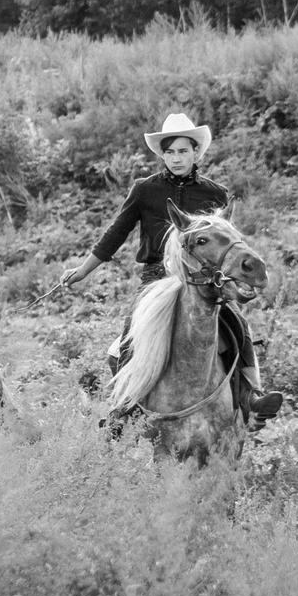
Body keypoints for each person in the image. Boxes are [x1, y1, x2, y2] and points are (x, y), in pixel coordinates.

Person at [59, 113, 281, 420]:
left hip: (203, 279)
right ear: (163, 154)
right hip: (156, 279)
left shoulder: (214, 193)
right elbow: (116, 233)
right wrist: (83, 271)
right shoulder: (144, 190)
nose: (176, 158)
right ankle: (124, 406)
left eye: (182, 151)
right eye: (170, 152)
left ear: (195, 152)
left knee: (238, 325)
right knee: (130, 335)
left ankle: (251, 395)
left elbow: (225, 242)